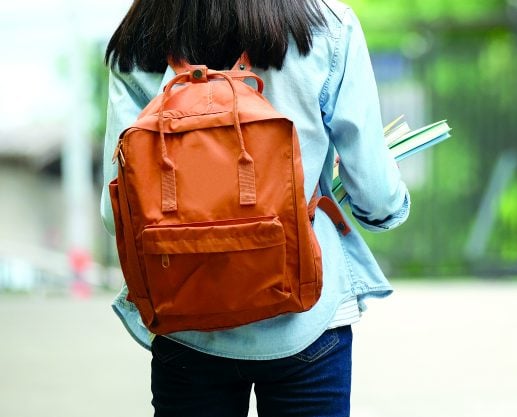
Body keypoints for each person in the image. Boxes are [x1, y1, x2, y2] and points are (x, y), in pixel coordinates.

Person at [100, 1, 410, 416]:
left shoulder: (140, 35)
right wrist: (386, 210)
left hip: (184, 320)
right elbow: (375, 193)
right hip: (308, 318)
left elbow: (114, 212)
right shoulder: (326, 26)